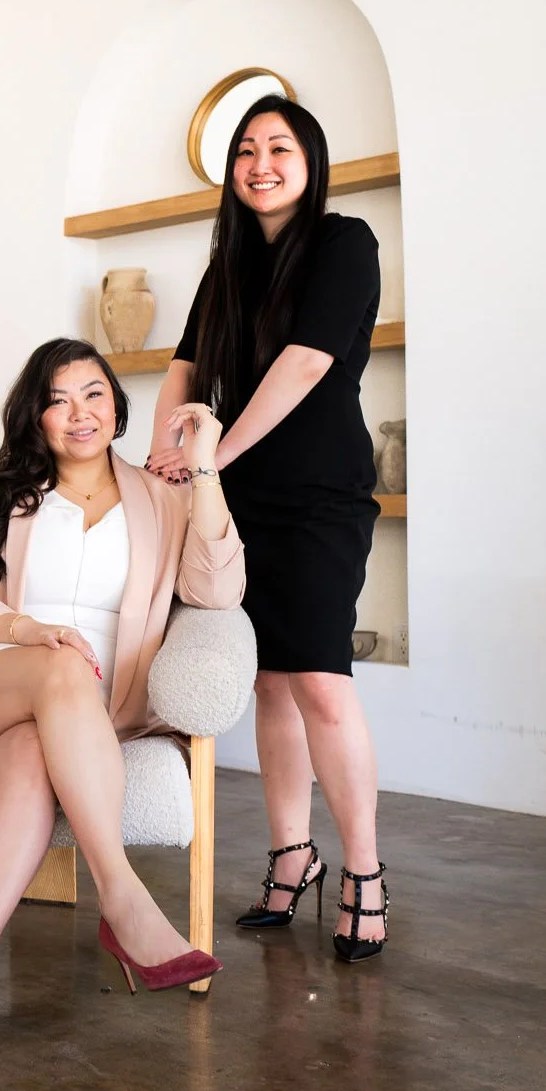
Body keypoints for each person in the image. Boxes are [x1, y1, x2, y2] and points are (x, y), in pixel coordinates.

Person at [0, 338, 245, 1055]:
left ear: (117, 405)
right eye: (57, 400)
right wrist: (27, 629)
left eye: (93, 394)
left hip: (91, 710)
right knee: (63, 667)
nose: (79, 413)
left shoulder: (162, 498)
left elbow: (217, 590)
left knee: (28, 756)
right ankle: (123, 896)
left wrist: (204, 467)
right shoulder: (0, 486)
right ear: (36, 416)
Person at [146, 95, 391, 963]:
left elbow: (307, 363)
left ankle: (364, 871)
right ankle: (293, 855)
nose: (261, 164)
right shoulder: (229, 266)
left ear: (310, 162)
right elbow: (185, 365)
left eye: (279, 148)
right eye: (246, 150)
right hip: (237, 498)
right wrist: (163, 450)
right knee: (269, 683)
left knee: (320, 679)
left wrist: (212, 454)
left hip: (318, 494)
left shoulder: (344, 242)